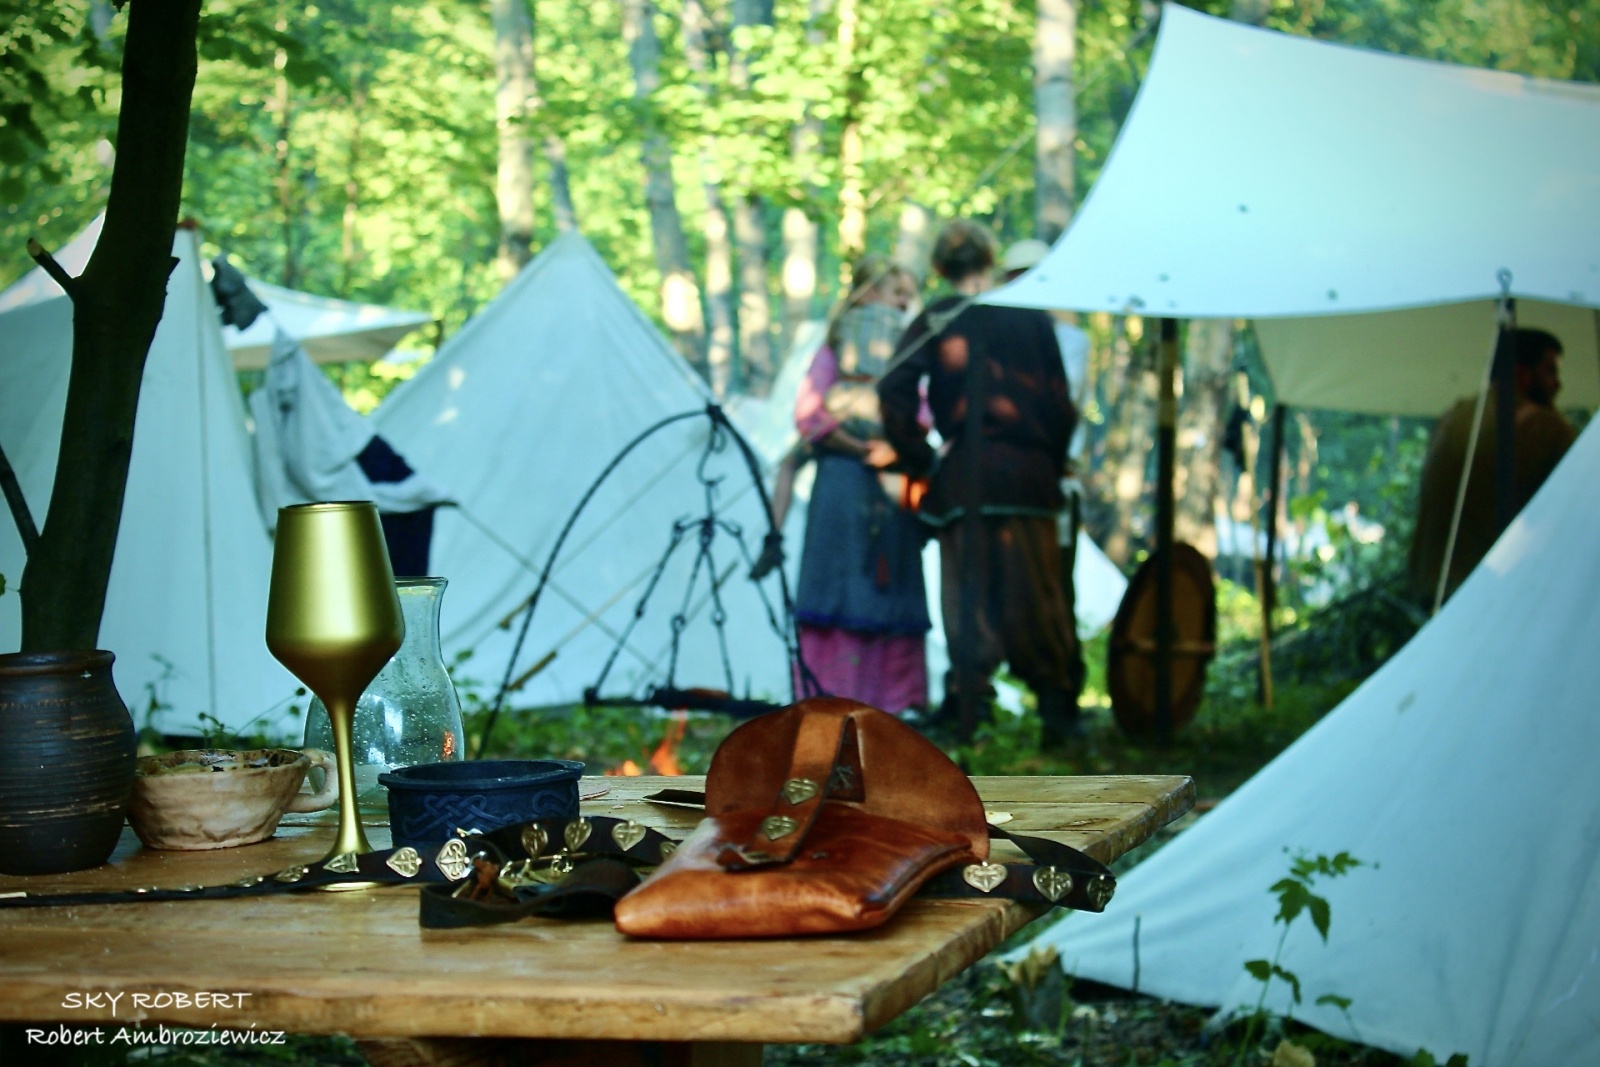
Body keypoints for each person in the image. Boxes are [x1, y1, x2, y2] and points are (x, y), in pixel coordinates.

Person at [878, 221, 1084, 746]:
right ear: (990, 261)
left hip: (966, 476)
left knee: (967, 597)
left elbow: (892, 387)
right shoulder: (1030, 317)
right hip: (1026, 478)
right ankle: (1056, 711)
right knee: (1035, 595)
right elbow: (1061, 405)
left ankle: (969, 706)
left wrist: (921, 457)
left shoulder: (939, 316)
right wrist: (1049, 462)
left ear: (940, 268)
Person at [789, 257, 931, 714]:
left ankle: (892, 701)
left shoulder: (909, 351)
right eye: (897, 292)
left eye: (909, 295)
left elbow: (923, 411)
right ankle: (828, 694)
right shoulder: (832, 351)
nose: (905, 302)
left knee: (890, 589)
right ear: (868, 292)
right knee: (838, 585)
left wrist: (895, 446)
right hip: (842, 483)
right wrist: (861, 448)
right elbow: (810, 416)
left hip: (890, 483)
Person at [1409, 327, 1576, 604]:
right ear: (1521, 373)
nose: (1557, 384)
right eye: (1550, 372)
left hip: (1430, 584)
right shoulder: (1545, 426)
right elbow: (1576, 512)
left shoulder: (1454, 415)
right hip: (1493, 590)